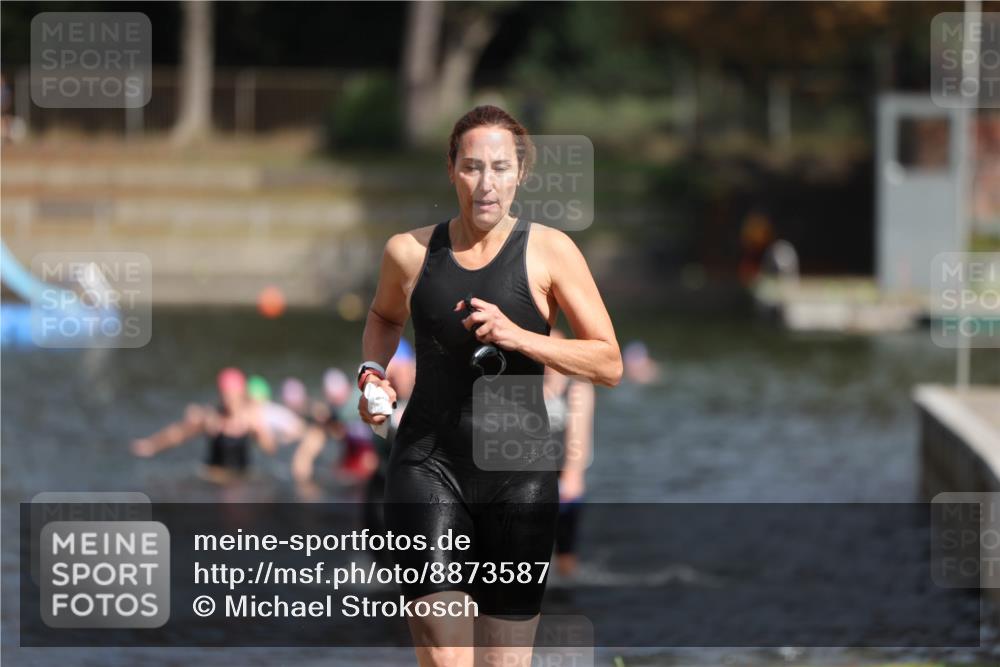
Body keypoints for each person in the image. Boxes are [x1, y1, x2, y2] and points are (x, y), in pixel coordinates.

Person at [357, 105, 621, 667]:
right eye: (473, 167)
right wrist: (372, 373)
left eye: (500, 168)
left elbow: (608, 363)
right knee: (447, 657)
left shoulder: (551, 251)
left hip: (519, 481)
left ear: (520, 173)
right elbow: (383, 317)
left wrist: (519, 337)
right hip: (428, 465)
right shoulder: (408, 252)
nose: (486, 184)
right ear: (451, 169)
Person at [131, 367, 276, 483]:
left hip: (241, 478)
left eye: (232, 396)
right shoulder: (211, 417)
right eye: (225, 395)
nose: (229, 400)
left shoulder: (250, 419)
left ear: (241, 394)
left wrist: (259, 431)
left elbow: (270, 449)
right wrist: (151, 445)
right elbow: (178, 434)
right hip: (214, 478)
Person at [542, 329, 595, 578]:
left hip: (563, 471)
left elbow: (579, 435)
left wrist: (573, 475)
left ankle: (566, 582)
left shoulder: (576, 386)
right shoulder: (527, 383)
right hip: (532, 470)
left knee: (565, 548)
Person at [363, 338, 416, 565]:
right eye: (390, 373)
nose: (395, 378)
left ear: (413, 369)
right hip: (383, 486)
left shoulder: (428, 399)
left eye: (400, 371)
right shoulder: (381, 401)